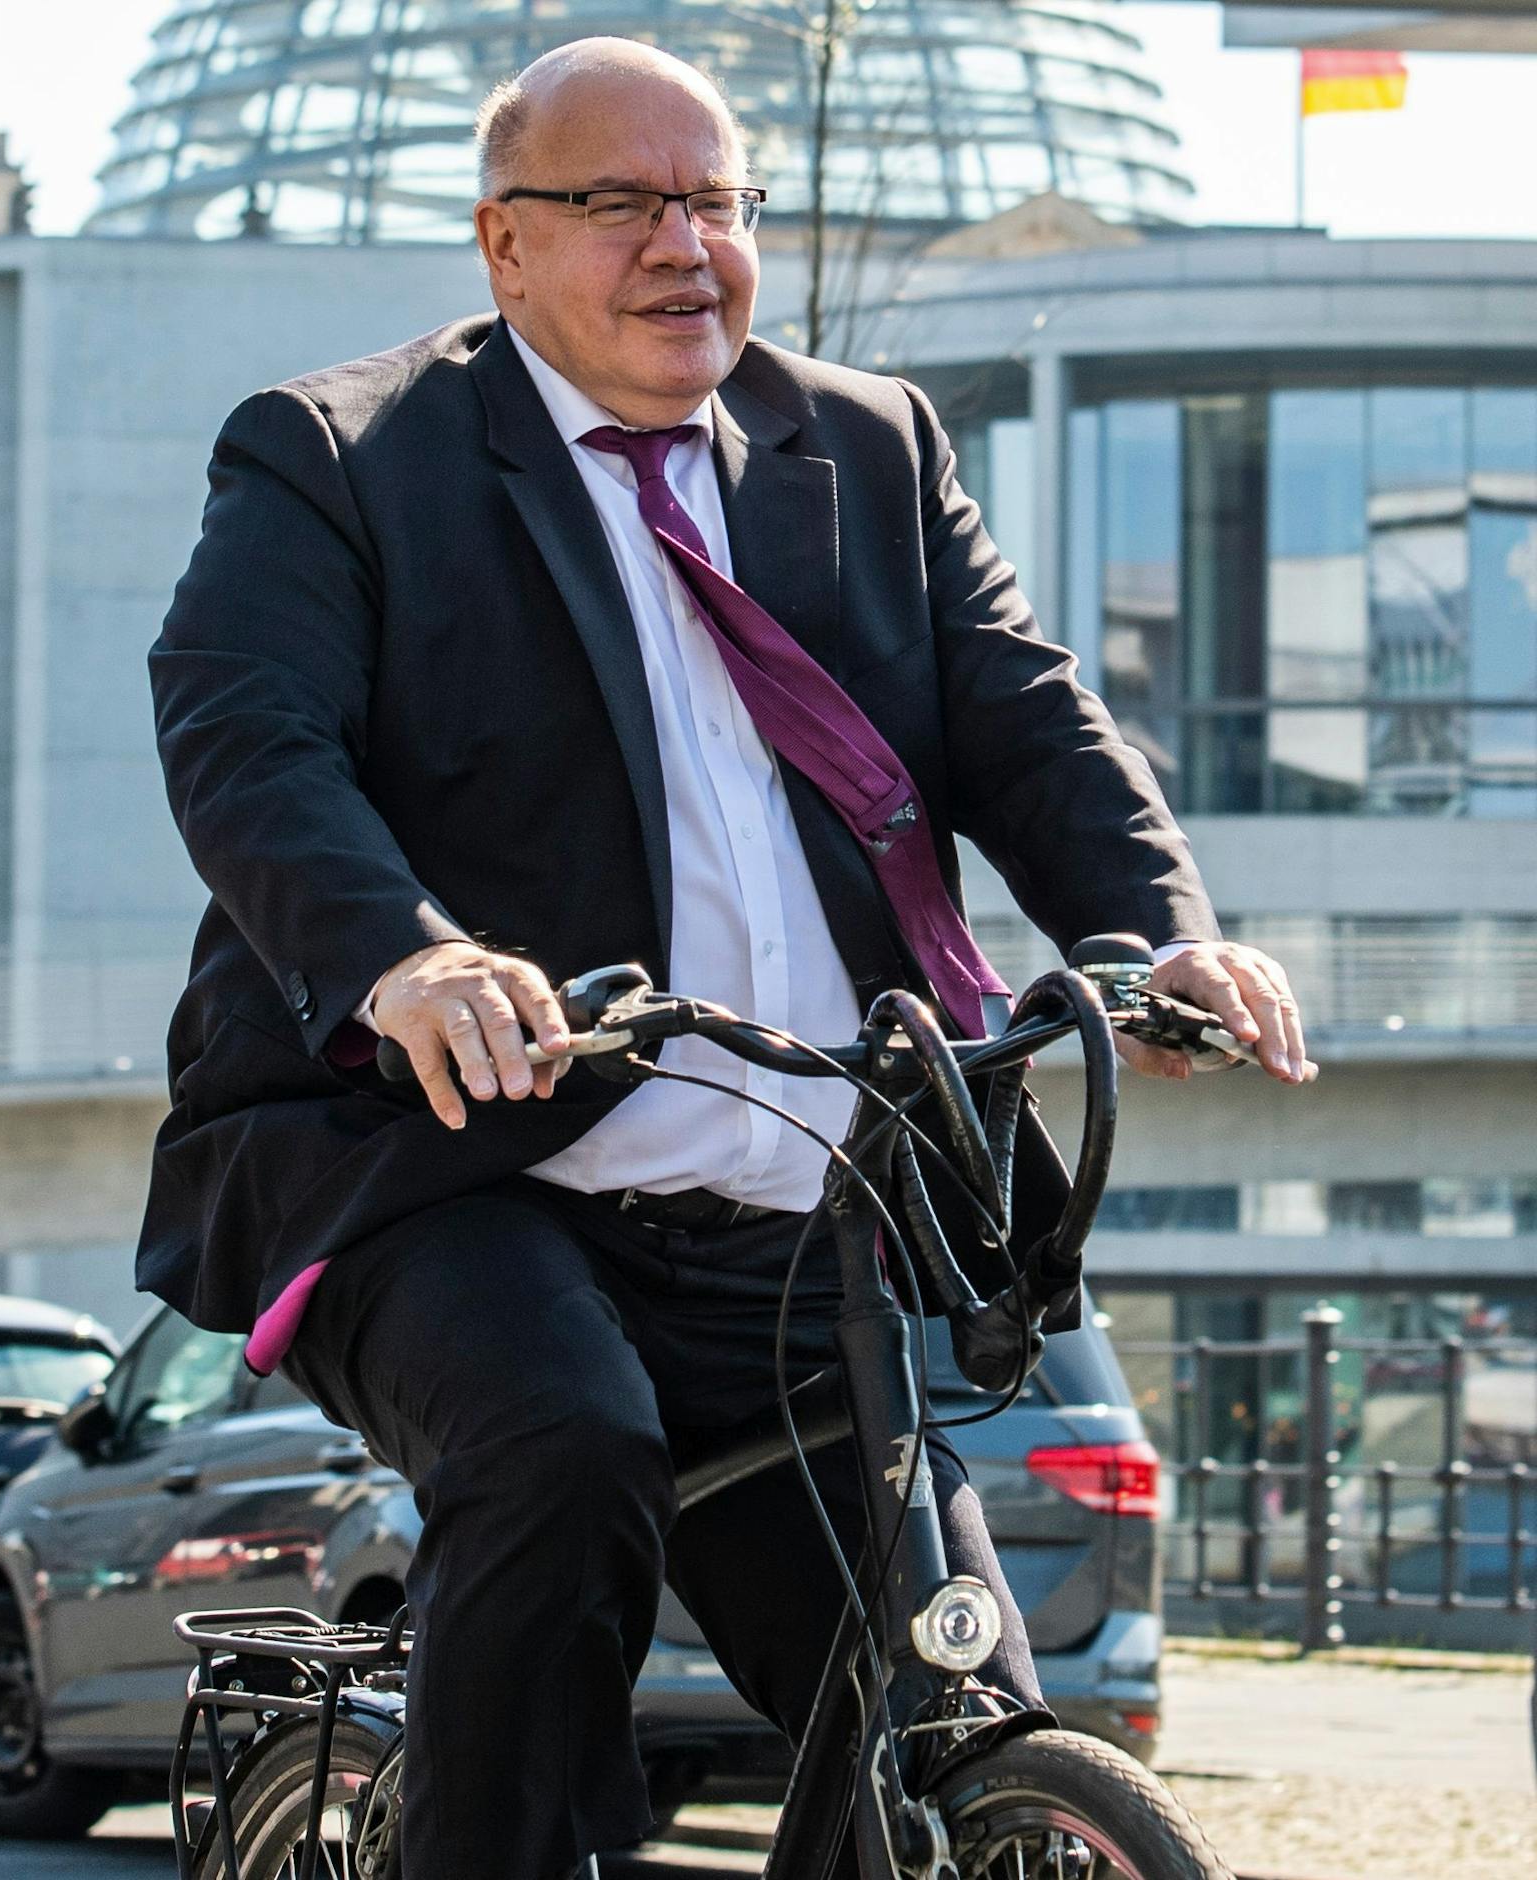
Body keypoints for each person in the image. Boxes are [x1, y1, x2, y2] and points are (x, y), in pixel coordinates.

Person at [138, 38, 1316, 1880]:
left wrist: (1157, 934)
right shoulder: (346, 457)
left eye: (718, 201)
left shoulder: (866, 445)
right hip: (466, 1171)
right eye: (624, 204)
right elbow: (245, 736)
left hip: (797, 1206)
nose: (686, 246)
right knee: (562, 1457)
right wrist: (408, 959)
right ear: (505, 246)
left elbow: (1029, 723)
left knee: (943, 1697)